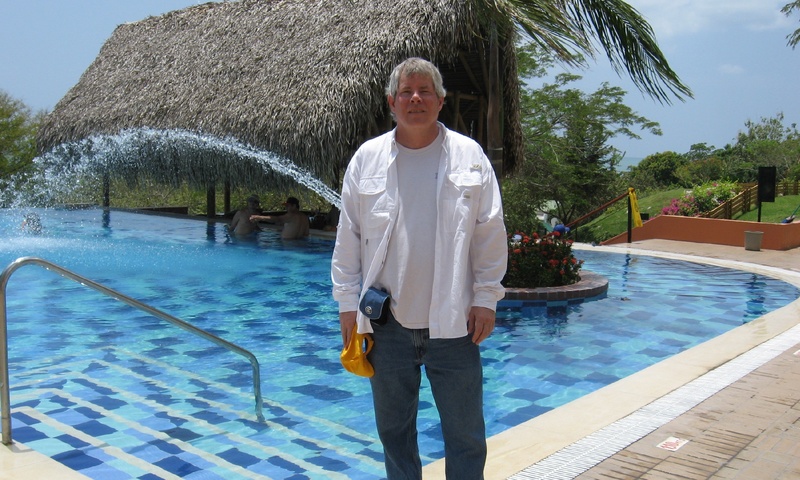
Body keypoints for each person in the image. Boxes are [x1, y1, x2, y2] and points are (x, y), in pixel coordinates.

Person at [330, 57, 507, 479]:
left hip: (456, 324)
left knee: (466, 435)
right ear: (391, 102)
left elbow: (489, 232)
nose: (415, 99)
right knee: (394, 435)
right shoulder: (367, 159)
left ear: (441, 101)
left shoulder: (469, 156)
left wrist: (486, 299)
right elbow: (348, 236)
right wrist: (345, 306)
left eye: (425, 90)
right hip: (387, 325)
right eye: (406, 91)